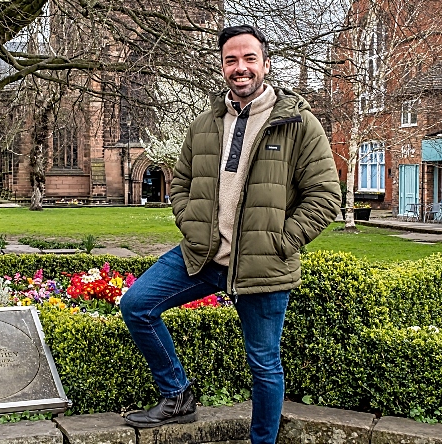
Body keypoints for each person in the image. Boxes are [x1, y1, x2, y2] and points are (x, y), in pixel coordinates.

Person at [120, 24, 341, 444]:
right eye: (231, 60)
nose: (240, 68)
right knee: (137, 305)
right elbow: (180, 182)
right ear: (223, 67)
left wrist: (282, 241)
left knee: (264, 365)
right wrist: (189, 221)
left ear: (266, 64)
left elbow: (326, 196)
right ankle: (176, 395)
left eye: (249, 58)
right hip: (204, 256)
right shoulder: (205, 123)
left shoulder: (299, 124)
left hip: (263, 264)